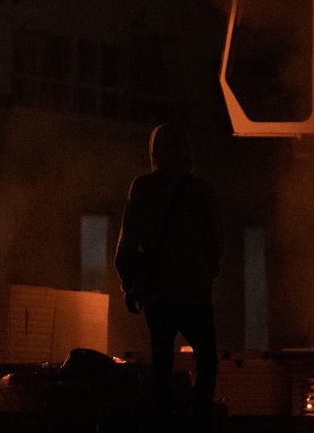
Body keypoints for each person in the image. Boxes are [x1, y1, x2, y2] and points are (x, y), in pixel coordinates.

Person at [114, 122, 223, 417]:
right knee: (206, 359)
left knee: (162, 362)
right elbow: (215, 245)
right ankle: (200, 416)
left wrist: (129, 285)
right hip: (195, 294)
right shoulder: (203, 191)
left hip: (157, 294)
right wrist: (204, 275)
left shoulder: (143, 188)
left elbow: (128, 242)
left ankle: (161, 419)